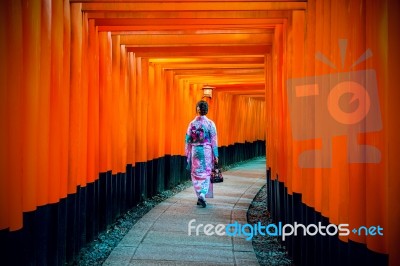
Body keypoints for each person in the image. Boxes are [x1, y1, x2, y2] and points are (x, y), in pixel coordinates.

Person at [185, 100, 219, 208]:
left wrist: (188, 153)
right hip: (207, 151)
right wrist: (216, 154)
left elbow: (187, 140)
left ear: (197, 109)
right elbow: (214, 140)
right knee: (207, 173)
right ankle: (203, 195)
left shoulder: (192, 123)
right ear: (206, 110)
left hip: (195, 150)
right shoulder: (210, 123)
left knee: (195, 173)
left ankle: (199, 194)